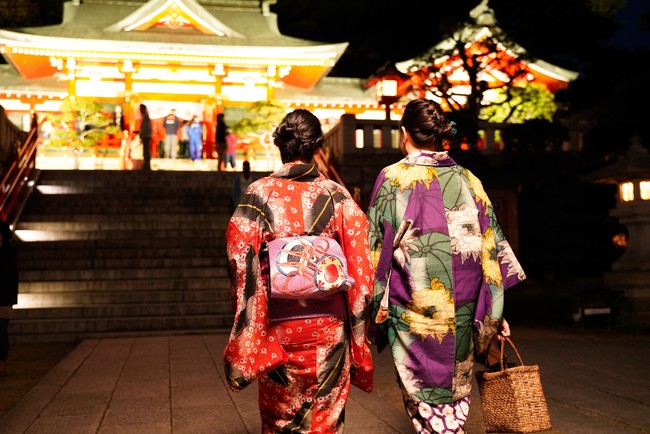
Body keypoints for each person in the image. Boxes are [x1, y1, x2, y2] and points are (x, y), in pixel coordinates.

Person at [367, 98, 526, 434]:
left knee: (424, 402)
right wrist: (494, 308)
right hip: (466, 314)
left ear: (404, 134)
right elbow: (490, 250)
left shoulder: (392, 178)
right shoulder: (470, 180)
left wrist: (371, 309)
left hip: (413, 309)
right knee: (455, 396)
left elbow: (376, 251)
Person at [223, 109, 374, 433]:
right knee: (324, 419)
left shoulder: (259, 194)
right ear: (317, 147)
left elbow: (239, 257)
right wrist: (358, 331)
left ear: (280, 145)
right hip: (329, 330)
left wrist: (255, 317)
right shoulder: (337, 195)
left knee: (281, 419)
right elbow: (360, 263)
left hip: (279, 329)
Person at [0, 221, 18, 378]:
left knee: (1, 333)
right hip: (6, 299)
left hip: (4, 300)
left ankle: (2, 366)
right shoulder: (10, 252)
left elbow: (10, 279)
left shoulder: (8, 253)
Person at [138, 104, 152, 170]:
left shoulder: (145, 117)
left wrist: (141, 133)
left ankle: (147, 164)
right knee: (145, 150)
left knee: (146, 150)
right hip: (146, 135)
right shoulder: (145, 116)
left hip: (146, 135)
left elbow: (145, 127)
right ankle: (146, 163)